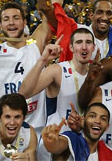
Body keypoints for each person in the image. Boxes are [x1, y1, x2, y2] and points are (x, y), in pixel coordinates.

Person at [0, 0, 66, 135]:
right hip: (3, 127)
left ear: (25, 22)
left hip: (36, 126)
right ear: (0, 26)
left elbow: (54, 6)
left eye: (16, 18)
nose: (11, 22)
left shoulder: (34, 43)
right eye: (6, 19)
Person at [19, 28, 95, 160]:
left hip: (85, 142)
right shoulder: (57, 70)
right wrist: (42, 60)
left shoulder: (97, 73)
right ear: (71, 47)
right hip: (55, 141)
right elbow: (24, 93)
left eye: (88, 42)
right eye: (79, 42)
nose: (84, 47)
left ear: (93, 47)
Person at [42, 102, 112, 160]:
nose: (97, 121)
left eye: (103, 119)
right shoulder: (72, 139)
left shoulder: (108, 154)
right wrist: (51, 142)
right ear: (83, 120)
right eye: (92, 116)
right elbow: (57, 146)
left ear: (107, 127)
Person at [0, 93, 37, 160]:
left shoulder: (29, 133)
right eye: (7, 117)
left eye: (17, 117)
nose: (12, 123)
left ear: (24, 118)